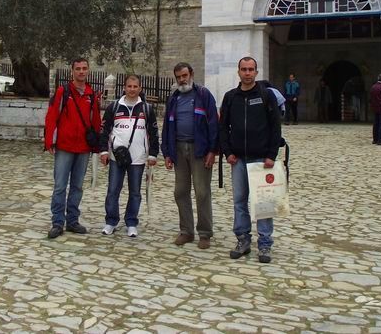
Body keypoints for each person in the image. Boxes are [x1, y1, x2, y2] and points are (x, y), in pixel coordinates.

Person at [219, 57, 282, 264]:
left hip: (261, 159)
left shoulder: (266, 96)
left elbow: (275, 127)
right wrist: (227, 152)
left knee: (263, 202)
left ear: (256, 72)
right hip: (238, 159)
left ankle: (265, 243)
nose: (247, 73)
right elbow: (223, 127)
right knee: (239, 201)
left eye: (251, 69)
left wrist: (271, 155)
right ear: (238, 71)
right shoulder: (230, 97)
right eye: (244, 69)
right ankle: (243, 239)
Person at [161, 62, 219, 249]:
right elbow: (167, 126)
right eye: (178, 77)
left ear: (191, 74)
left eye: (184, 76)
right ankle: (186, 231)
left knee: (202, 192)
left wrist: (213, 150)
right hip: (179, 149)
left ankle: (205, 233)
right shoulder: (174, 98)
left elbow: (213, 124)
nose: (182, 80)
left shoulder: (203, 95)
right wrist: (167, 152)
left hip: (199, 150)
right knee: (180, 191)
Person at [44, 58, 102, 239]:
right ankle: (57, 222)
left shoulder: (91, 95)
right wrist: (49, 141)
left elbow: (95, 121)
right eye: (78, 69)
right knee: (60, 185)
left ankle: (72, 220)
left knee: (77, 186)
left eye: (84, 68)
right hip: (65, 145)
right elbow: (52, 115)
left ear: (88, 71)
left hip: (83, 147)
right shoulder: (63, 91)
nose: (81, 72)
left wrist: (97, 145)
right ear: (72, 71)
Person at [99, 74, 159, 238]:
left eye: (135, 86)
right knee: (113, 190)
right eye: (129, 86)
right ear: (124, 88)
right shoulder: (114, 107)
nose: (132, 89)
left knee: (135, 192)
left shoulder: (147, 109)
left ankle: (131, 222)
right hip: (116, 157)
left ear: (140, 88)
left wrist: (153, 154)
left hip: (138, 158)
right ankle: (111, 221)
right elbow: (104, 130)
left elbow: (153, 133)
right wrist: (104, 151)